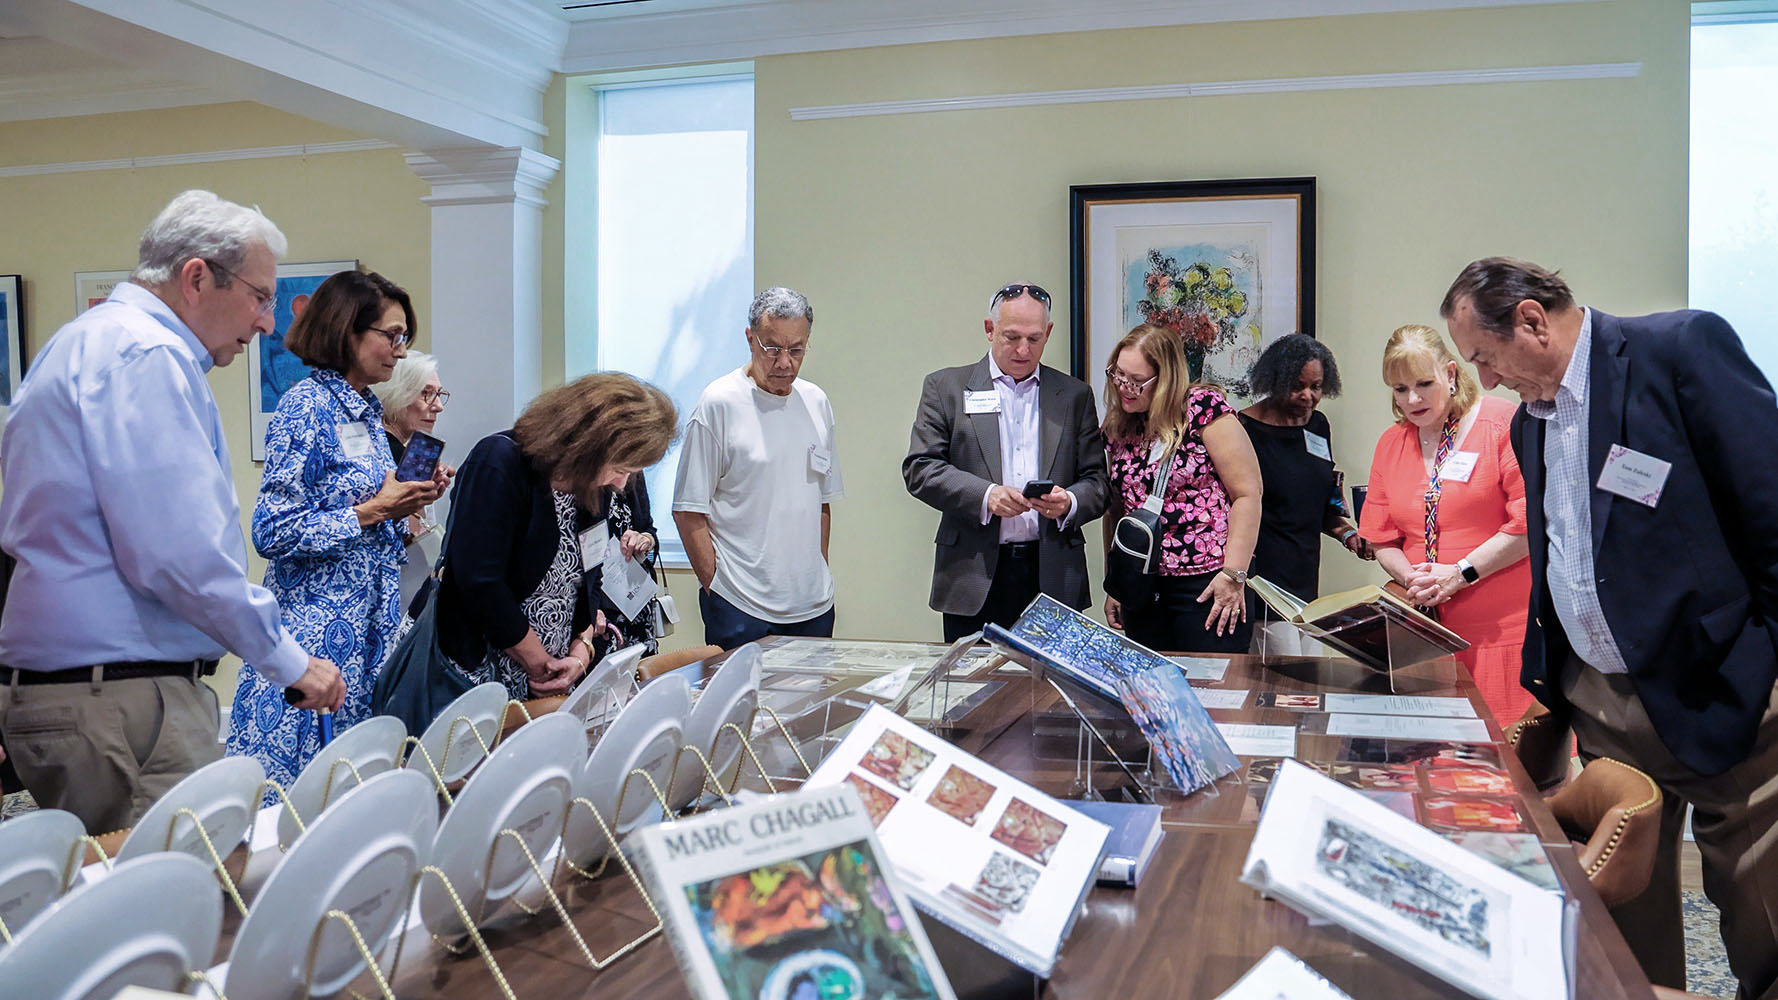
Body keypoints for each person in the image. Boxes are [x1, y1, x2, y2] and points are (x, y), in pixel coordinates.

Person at [1443, 257, 1778, 998]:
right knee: (1623, 930)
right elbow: (1564, 543)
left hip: (1723, 688)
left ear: (1531, 320)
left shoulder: (1680, 352)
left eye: (1485, 358)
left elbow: (1770, 511)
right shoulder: (1530, 422)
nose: (1487, 381)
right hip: (1603, 707)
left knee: (1765, 922)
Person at [0, 190, 343, 834]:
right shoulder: (144, 354)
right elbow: (178, 555)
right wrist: (288, 662)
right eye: (261, 297)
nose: (268, 323)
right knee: (175, 908)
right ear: (195, 277)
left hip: (90, 689)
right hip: (122, 698)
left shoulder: (86, 342)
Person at [227, 271, 448, 790]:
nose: (399, 351)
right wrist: (373, 510)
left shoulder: (367, 410)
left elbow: (367, 525)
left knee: (352, 797)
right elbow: (272, 531)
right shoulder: (305, 407)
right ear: (348, 330)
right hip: (315, 640)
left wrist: (406, 504)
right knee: (295, 807)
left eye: (403, 338)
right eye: (390, 336)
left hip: (368, 633)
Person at [438, 373, 677, 699]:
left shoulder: (591, 488)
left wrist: (582, 650)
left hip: (553, 675)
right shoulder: (499, 462)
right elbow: (479, 581)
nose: (621, 485)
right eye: (620, 469)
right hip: (479, 675)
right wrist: (539, 662)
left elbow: (589, 580)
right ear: (589, 443)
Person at [903, 283, 1109, 641]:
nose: (1022, 349)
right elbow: (920, 468)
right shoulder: (946, 387)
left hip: (1052, 571)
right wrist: (986, 496)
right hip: (974, 573)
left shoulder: (1074, 395)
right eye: (1011, 336)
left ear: (1048, 333)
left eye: (1033, 338)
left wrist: (1069, 502)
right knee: (975, 690)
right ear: (989, 329)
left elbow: (1097, 481)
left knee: (1051, 693)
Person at [1356, 324, 1531, 722]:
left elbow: (1529, 526)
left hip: (1500, 630)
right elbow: (1381, 538)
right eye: (1400, 390)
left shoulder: (1502, 424)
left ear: (1450, 374)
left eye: (1423, 383)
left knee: (1506, 762)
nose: (1412, 399)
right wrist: (1412, 579)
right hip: (1422, 631)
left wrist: (1459, 574)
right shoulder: (1392, 442)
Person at [674, 287, 845, 650]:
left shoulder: (816, 402)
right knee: (742, 707)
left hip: (812, 607)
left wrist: (818, 570)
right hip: (740, 604)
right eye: (773, 348)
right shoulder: (718, 404)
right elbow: (689, 510)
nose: (785, 363)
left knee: (810, 706)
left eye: (796, 350)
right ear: (750, 338)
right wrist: (715, 585)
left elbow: (823, 501)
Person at [1101, 324, 1261, 653]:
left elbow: (1248, 494)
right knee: (1151, 689)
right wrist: (1116, 582)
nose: (1124, 388)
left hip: (1208, 584)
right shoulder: (1120, 425)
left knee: (1214, 690)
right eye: (1118, 375)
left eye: (1136, 381)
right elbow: (1116, 511)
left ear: (1166, 379)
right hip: (1143, 584)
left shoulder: (1204, 410)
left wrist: (1233, 575)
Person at [1238, 333, 1371, 654]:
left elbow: (1321, 501)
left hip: (1305, 582)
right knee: (1277, 684)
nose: (1308, 396)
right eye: (1297, 386)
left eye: (1317, 387)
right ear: (1274, 380)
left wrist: (1348, 534)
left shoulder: (1318, 426)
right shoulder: (1243, 430)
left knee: (1304, 678)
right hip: (1261, 584)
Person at [372, 351, 450, 609]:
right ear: (397, 393)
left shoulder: (400, 453)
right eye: (426, 393)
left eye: (439, 394)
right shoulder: (386, 458)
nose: (437, 406)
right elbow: (404, 535)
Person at [599, 476, 665, 656]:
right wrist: (590, 610)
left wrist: (645, 540)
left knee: (642, 678)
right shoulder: (582, 474)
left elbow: (650, 533)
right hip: (599, 613)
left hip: (635, 604)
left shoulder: (634, 472)